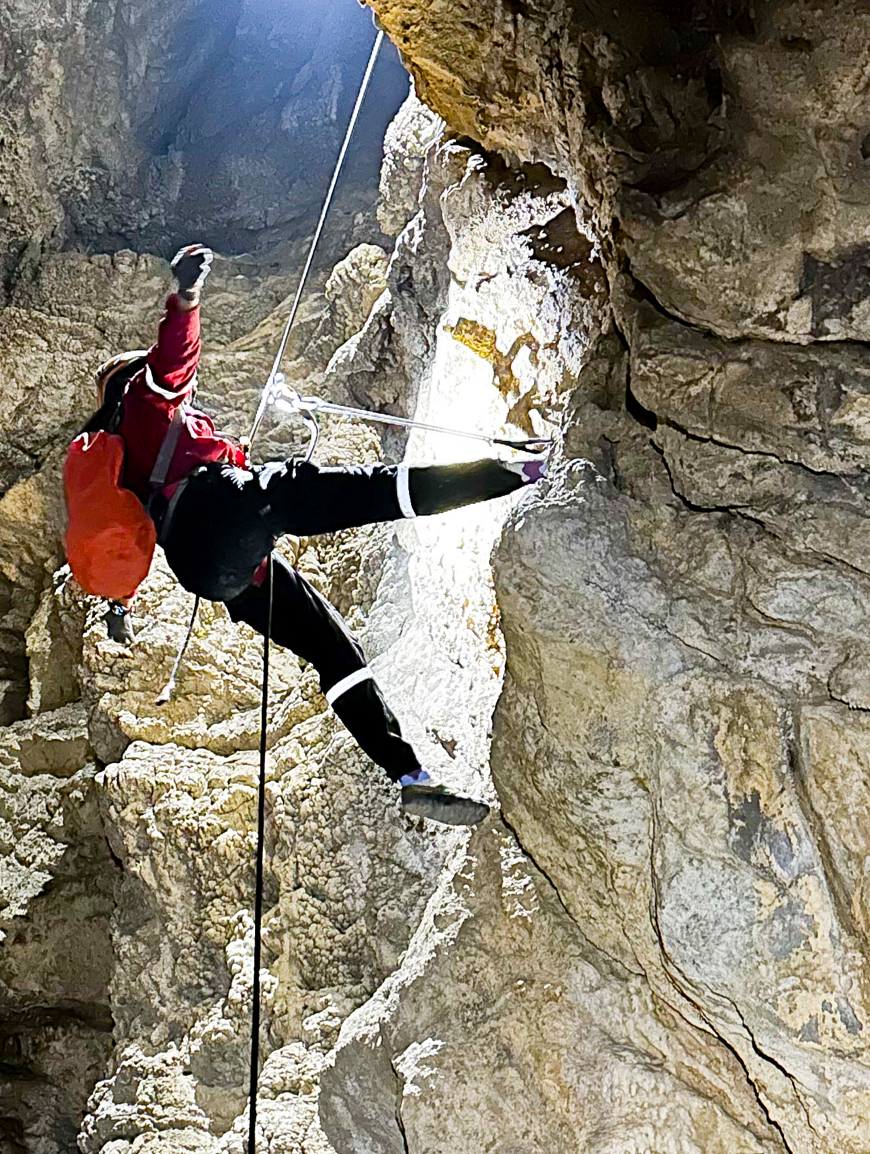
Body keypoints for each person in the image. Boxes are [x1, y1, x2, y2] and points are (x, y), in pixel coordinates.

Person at [85, 242, 541, 826]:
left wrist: (119, 609)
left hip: (209, 571)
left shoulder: (119, 467)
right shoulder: (146, 399)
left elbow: (126, 549)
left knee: (332, 649)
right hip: (219, 508)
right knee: (347, 492)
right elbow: (175, 357)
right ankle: (515, 472)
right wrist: (187, 296)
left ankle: (408, 773)